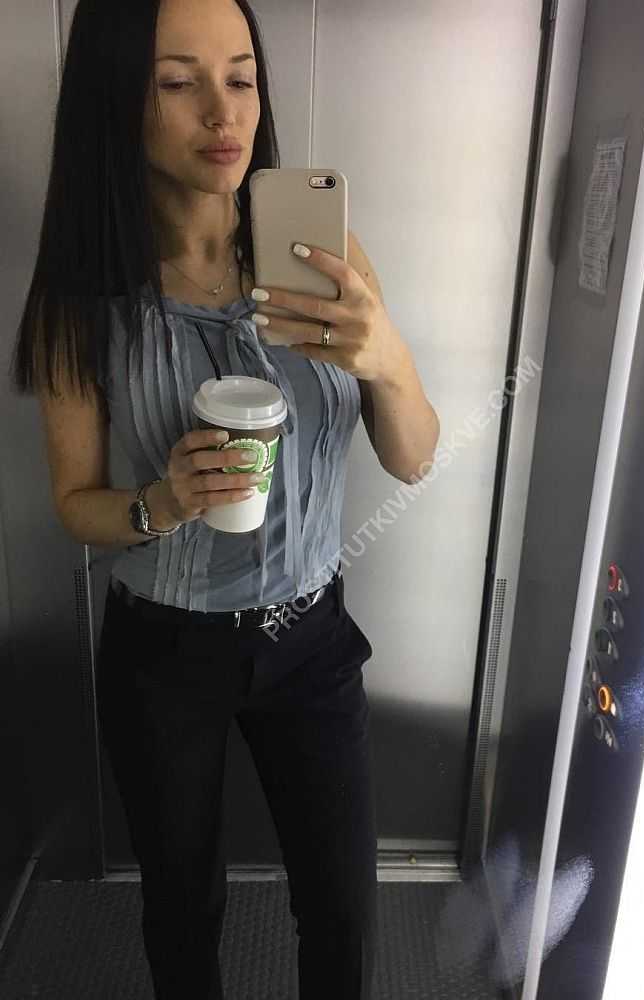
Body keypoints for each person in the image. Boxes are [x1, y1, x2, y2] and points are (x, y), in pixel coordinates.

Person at [8, 0, 440, 996]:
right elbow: (74, 501)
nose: (224, 110)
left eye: (241, 76)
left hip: (310, 637)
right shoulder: (86, 295)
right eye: (178, 81)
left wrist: (386, 358)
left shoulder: (325, 258)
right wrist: (162, 502)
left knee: (343, 907)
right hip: (165, 652)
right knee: (181, 906)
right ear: (118, 99)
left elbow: (414, 458)